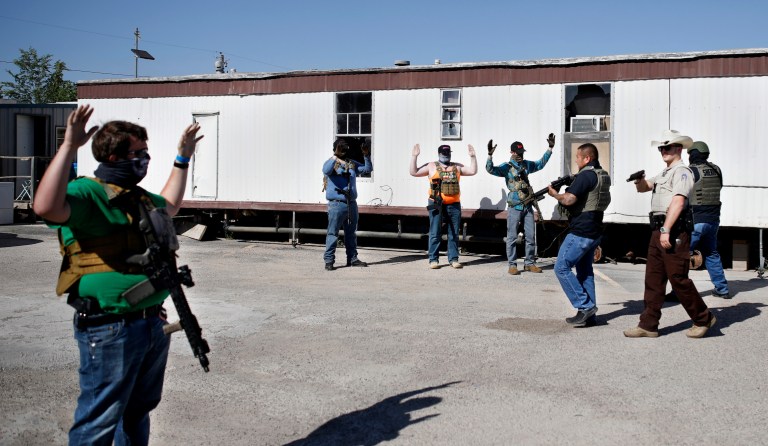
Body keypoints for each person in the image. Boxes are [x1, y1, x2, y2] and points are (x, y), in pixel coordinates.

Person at [33, 104, 204, 444]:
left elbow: (169, 205)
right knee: (98, 420)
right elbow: (46, 207)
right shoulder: (89, 193)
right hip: (110, 326)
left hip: (151, 322)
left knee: (137, 411)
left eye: (146, 151)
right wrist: (69, 147)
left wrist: (182, 158)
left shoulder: (138, 197)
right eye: (138, 153)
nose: (145, 158)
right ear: (114, 157)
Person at [623, 130, 717, 339]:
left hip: (673, 230)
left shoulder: (682, 172)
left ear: (679, 149)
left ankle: (704, 318)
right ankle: (648, 325)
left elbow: (679, 201)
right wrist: (640, 180)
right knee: (653, 279)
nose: (663, 151)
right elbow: (645, 188)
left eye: (668, 147)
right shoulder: (665, 172)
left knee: (677, 278)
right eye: (661, 148)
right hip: (658, 230)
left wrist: (666, 230)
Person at [547, 143, 611, 326]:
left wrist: (554, 194)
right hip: (595, 230)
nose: (576, 160)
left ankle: (585, 306)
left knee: (561, 267)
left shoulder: (585, 176)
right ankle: (589, 316)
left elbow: (569, 199)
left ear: (587, 158)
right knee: (585, 271)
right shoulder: (601, 174)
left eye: (578, 157)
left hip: (581, 231)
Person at [486, 134, 555, 275]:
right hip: (514, 205)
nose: (520, 155)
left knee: (530, 236)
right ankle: (512, 265)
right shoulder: (507, 167)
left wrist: (550, 148)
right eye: (517, 153)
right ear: (511, 152)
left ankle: (529, 263)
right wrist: (489, 156)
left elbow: (540, 164)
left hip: (528, 205)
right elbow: (490, 170)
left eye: (521, 153)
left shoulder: (526, 165)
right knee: (512, 237)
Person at [410, 143, 477, 269]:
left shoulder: (457, 167)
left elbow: (473, 171)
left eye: (448, 153)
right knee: (435, 232)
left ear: (450, 153)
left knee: (454, 233)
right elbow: (414, 172)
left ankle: (454, 259)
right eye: (443, 153)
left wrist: (473, 157)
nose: (446, 156)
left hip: (454, 204)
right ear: (439, 154)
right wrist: (414, 156)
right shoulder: (431, 166)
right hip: (436, 203)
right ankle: (433, 259)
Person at [687, 141, 730, 298]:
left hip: (696, 220)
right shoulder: (716, 169)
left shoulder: (691, 171)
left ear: (693, 154)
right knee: (711, 253)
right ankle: (722, 289)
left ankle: (678, 292)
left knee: (681, 256)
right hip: (713, 220)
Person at [322, 138, 373, 271]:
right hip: (336, 204)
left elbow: (367, 169)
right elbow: (326, 170)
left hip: (351, 204)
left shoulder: (350, 163)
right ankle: (329, 260)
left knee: (351, 233)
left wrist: (366, 155)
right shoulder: (332, 163)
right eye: (340, 148)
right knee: (333, 233)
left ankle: (352, 258)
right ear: (335, 149)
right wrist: (335, 156)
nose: (343, 151)